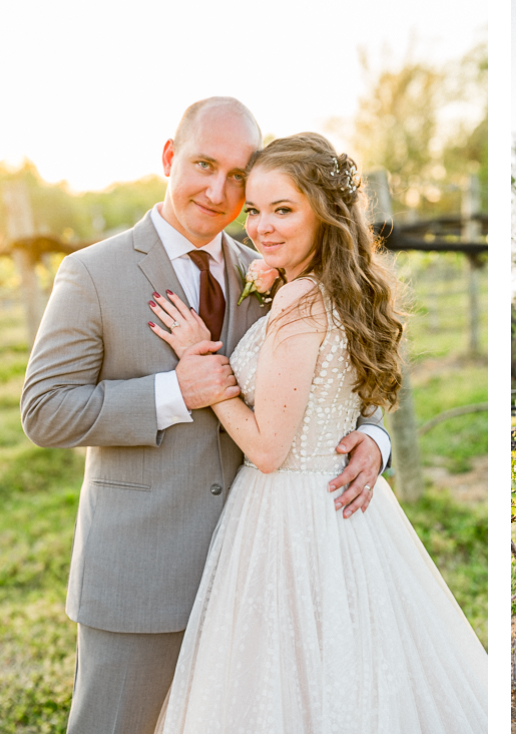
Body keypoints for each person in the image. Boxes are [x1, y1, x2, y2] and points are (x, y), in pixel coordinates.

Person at [20, 98, 390, 734]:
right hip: (143, 575)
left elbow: (339, 364)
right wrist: (175, 391)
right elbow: (45, 410)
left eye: (239, 175)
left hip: (260, 568)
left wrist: (375, 436)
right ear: (170, 157)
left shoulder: (269, 267)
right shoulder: (93, 273)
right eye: (202, 164)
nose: (219, 191)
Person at [149, 133, 486, 732]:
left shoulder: (303, 299)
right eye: (254, 210)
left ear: (324, 213)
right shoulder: (341, 288)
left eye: (284, 210)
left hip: (289, 513)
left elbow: (268, 449)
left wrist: (199, 363)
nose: (262, 228)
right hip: (344, 511)